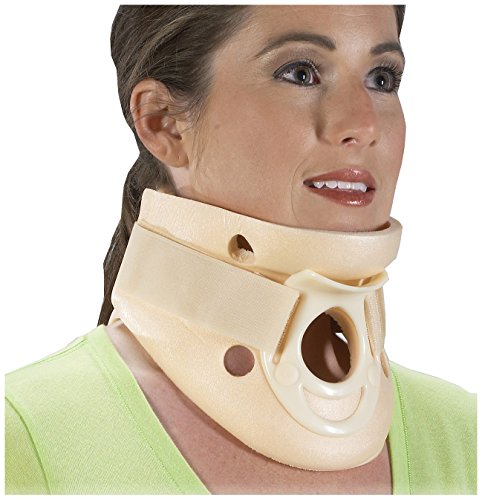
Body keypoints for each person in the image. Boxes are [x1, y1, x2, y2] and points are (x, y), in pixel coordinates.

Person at [4, 5, 476, 495]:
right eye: (301, 73)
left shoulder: (465, 435)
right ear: (163, 123)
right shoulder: (23, 435)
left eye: (381, 79)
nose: (364, 124)